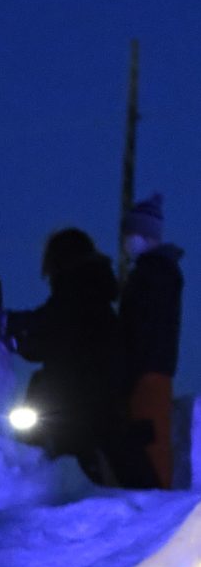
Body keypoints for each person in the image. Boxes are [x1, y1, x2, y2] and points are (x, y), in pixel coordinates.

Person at [0, 229, 128, 483]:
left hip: (77, 393)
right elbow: (54, 333)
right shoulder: (91, 289)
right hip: (95, 390)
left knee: (70, 450)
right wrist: (18, 340)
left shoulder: (75, 289)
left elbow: (50, 327)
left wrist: (7, 325)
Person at [120, 194, 184, 489]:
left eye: (131, 233)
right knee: (148, 435)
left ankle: (158, 496)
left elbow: (142, 324)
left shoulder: (154, 273)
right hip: (151, 365)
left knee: (150, 437)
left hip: (149, 366)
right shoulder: (156, 271)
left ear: (147, 235)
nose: (127, 241)